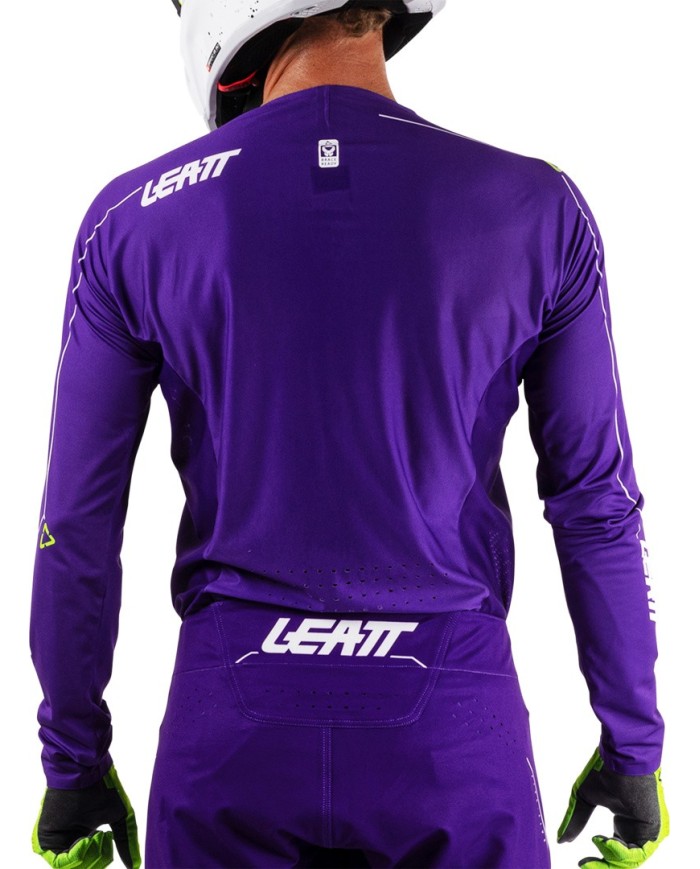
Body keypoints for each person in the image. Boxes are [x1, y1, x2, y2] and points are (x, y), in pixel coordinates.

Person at [29, 1, 669, 867]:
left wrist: (73, 761)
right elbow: (597, 503)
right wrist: (633, 745)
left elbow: (75, 521)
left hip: (231, 726)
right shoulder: (534, 206)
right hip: (454, 727)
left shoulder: (134, 218)